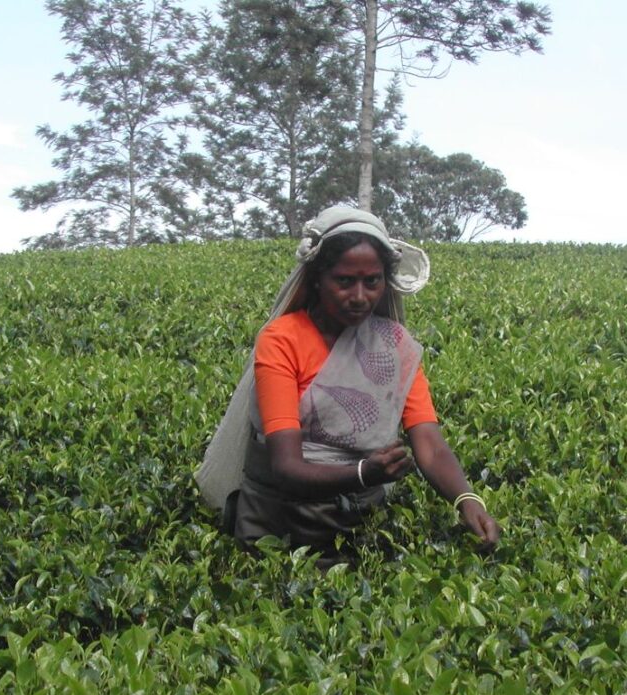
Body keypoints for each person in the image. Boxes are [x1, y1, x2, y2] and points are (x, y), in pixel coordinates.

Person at [196, 205, 500, 563]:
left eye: (372, 282)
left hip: (358, 527)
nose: (360, 296)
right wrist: (362, 473)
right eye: (344, 281)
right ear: (317, 280)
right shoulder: (282, 340)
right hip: (278, 530)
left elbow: (429, 443)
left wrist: (467, 500)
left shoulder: (392, 348)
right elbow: (285, 464)